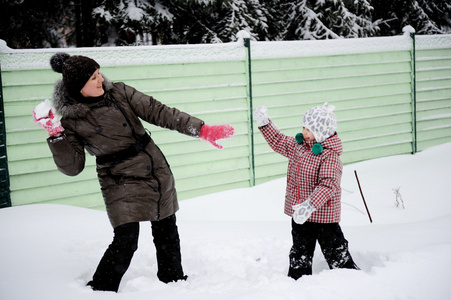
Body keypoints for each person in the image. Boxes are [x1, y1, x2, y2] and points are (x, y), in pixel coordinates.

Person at [32, 52, 234, 292]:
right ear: (78, 88)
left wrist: (201, 130)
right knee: (126, 237)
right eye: (93, 78)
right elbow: (73, 167)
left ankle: (174, 283)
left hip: (152, 165)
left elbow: (159, 112)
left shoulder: (120, 92)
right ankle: (100, 290)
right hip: (117, 177)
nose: (101, 81)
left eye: (99, 74)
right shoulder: (72, 122)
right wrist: (56, 135)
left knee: (166, 227)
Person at [254, 103, 358, 279]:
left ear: (322, 132)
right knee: (299, 253)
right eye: (303, 127)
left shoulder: (329, 156)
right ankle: (297, 283)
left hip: (324, 217)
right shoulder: (299, 146)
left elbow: (329, 185)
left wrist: (310, 205)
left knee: (336, 252)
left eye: (309, 129)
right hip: (300, 215)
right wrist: (265, 124)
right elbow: (278, 140)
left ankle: (350, 280)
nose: (304, 132)